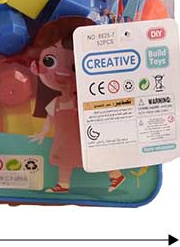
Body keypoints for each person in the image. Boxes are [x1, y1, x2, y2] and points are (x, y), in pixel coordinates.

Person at [29, 17, 126, 193]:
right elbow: (49, 119)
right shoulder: (55, 103)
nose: (62, 73)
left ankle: (116, 175)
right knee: (64, 160)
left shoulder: (83, 100)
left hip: (85, 136)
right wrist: (42, 133)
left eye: (74, 67)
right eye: (49, 61)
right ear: (35, 66)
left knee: (96, 154)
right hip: (64, 140)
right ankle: (63, 185)